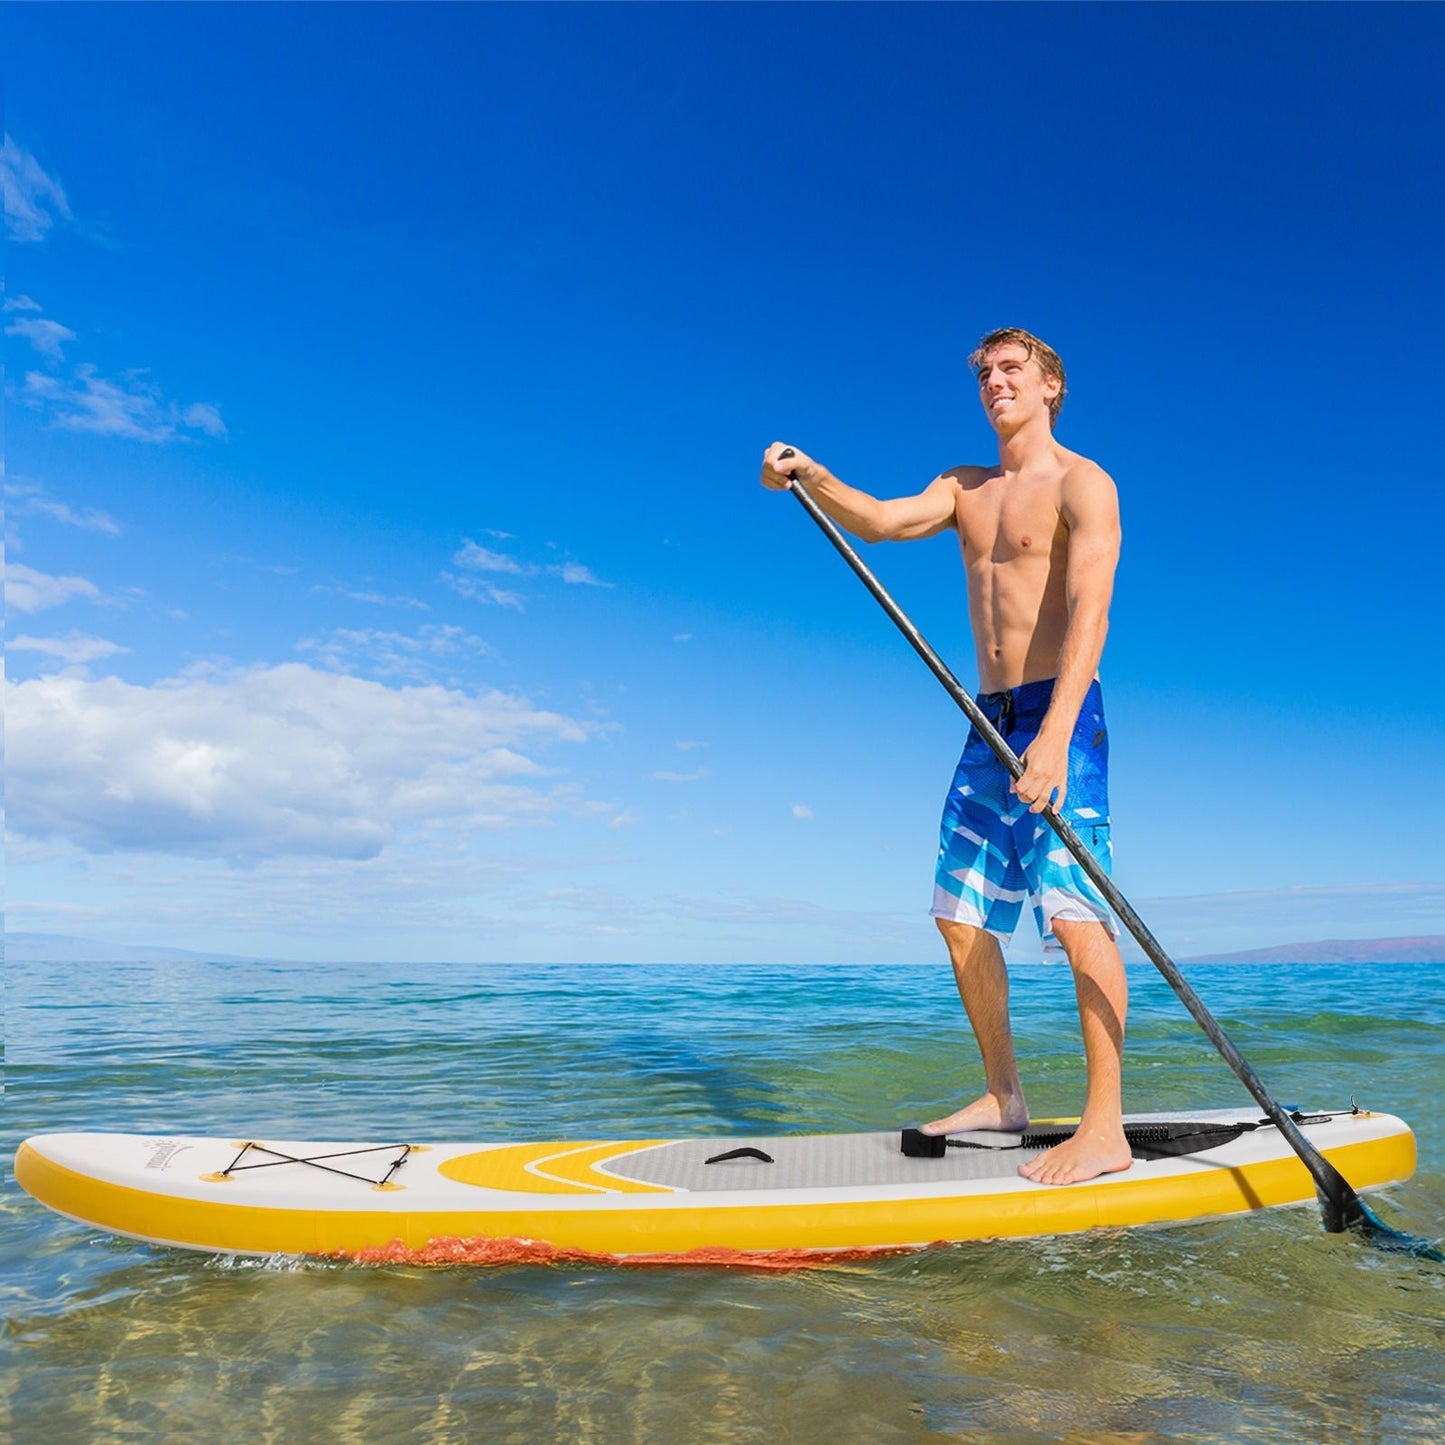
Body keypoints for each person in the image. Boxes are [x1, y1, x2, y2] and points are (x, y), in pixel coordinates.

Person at [759, 327, 1130, 1185]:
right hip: (983, 715)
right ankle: (1005, 1097)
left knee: (1074, 912)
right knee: (957, 914)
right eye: (985, 373)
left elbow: (1089, 617)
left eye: (1013, 370)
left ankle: (1103, 1126)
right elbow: (882, 522)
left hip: (1058, 712)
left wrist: (1052, 737)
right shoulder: (964, 486)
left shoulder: (1084, 483)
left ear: (1051, 388)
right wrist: (808, 473)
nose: (996, 381)